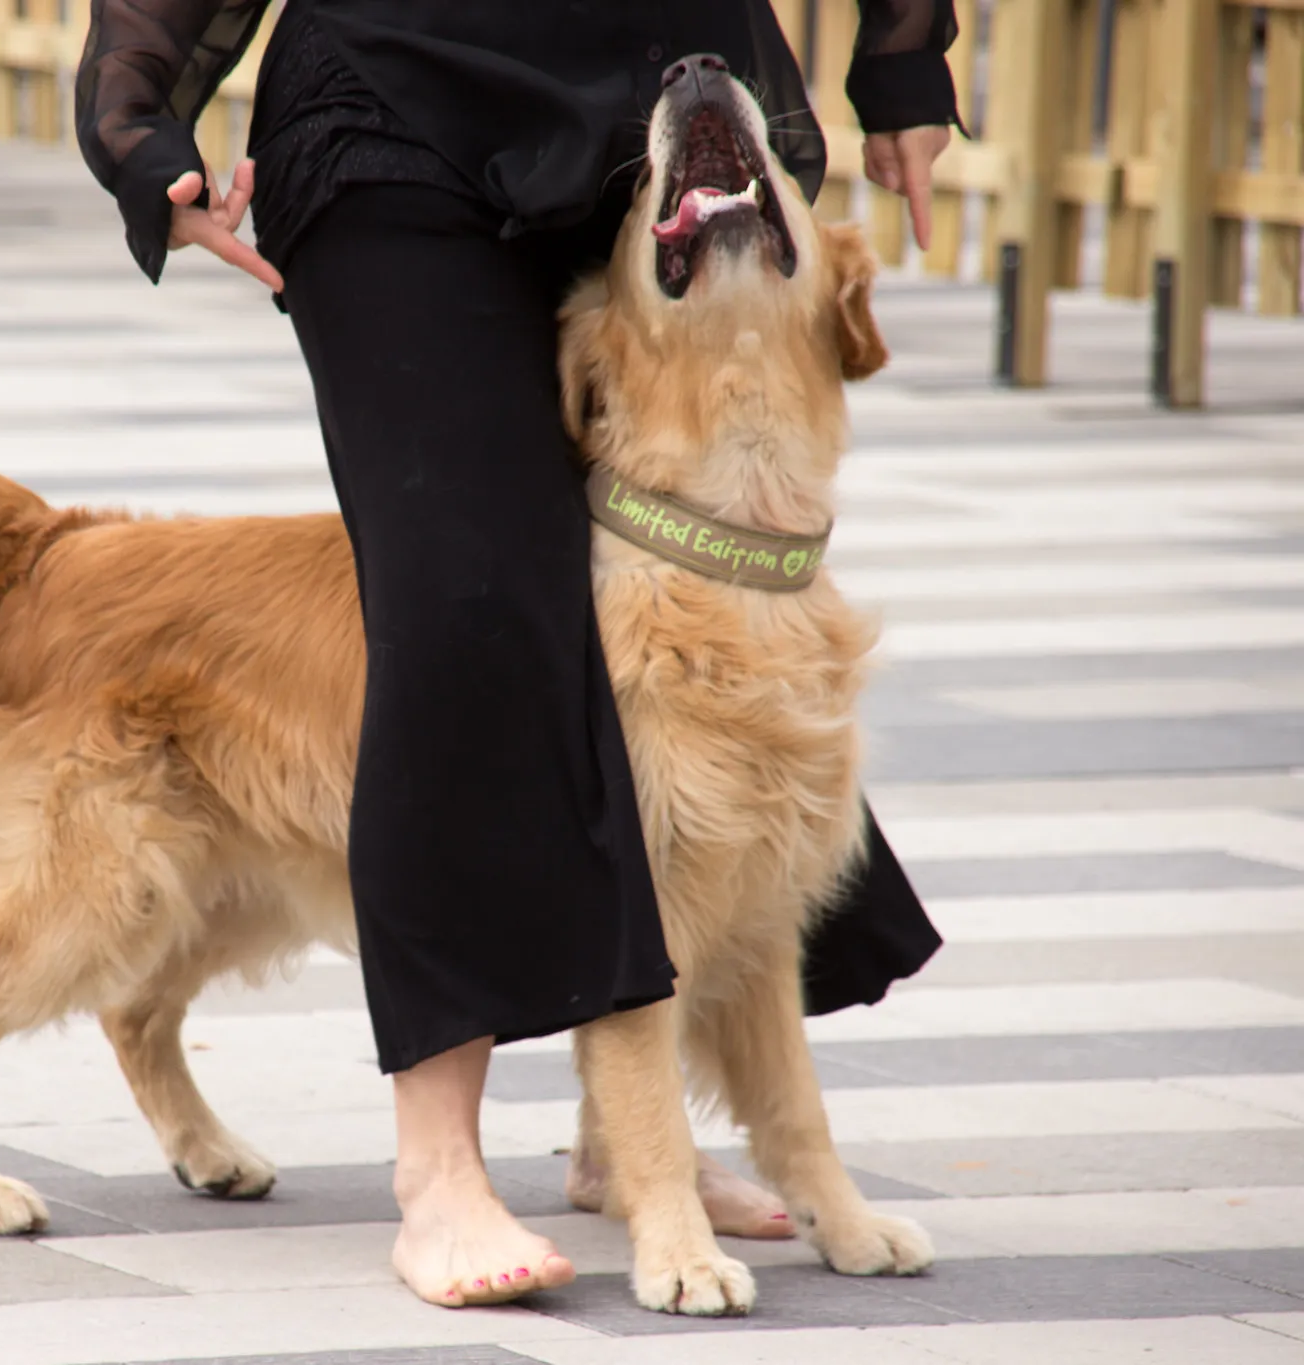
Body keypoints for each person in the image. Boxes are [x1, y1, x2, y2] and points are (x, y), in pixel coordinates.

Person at [76, 0, 957, 1309]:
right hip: (396, 113)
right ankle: (438, 1170)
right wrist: (138, 118)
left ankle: (628, 1142)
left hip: (660, 75)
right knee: (471, 605)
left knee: (688, 626)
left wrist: (901, 54)